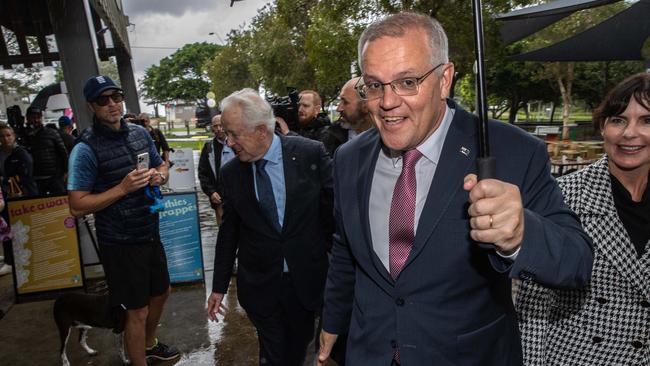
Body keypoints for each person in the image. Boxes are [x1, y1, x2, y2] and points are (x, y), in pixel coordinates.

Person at [317, 12, 594, 366]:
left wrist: (521, 234)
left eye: (407, 82)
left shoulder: (511, 150)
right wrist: (332, 323)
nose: (387, 102)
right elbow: (345, 251)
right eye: (374, 85)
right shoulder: (348, 158)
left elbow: (577, 262)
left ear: (445, 79)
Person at [517, 72, 650, 365]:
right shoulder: (562, 196)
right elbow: (534, 309)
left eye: (646, 121)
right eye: (618, 120)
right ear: (603, 127)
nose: (630, 133)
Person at [206, 88, 333, 366]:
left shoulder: (309, 154)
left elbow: (336, 214)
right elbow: (229, 233)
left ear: (262, 131)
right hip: (260, 285)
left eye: (234, 134)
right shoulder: (232, 173)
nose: (228, 143)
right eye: (226, 133)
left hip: (305, 282)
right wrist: (218, 287)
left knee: (301, 350)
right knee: (274, 354)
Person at [67, 75, 179, 366]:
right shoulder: (85, 149)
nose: (112, 104)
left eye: (116, 96)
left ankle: (148, 344)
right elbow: (76, 206)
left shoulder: (140, 134)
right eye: (103, 100)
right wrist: (122, 189)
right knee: (136, 310)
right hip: (119, 241)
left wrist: (160, 175)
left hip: (148, 230)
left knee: (161, 292)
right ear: (92, 105)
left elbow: (161, 165)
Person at [198, 114, 235, 225]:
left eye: (221, 125)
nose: (218, 129)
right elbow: (202, 173)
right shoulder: (209, 148)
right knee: (224, 230)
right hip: (219, 197)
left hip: (239, 195)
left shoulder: (237, 143)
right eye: (215, 126)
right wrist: (211, 192)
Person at [322, 76, 374, 154]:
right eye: (340, 101)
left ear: (366, 106)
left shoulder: (388, 140)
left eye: (345, 102)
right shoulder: (331, 136)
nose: (338, 109)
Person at [24, 106, 68, 195]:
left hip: (54, 177)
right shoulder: (23, 134)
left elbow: (63, 153)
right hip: (34, 178)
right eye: (33, 117)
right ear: (27, 118)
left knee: (60, 202)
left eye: (38, 117)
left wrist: (66, 171)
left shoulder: (52, 132)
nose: (36, 120)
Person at [0, 123, 37, 198]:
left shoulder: (21, 152)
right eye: (2, 136)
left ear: (14, 136)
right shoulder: (0, 153)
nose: (5, 139)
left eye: (8, 135)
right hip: (5, 193)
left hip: (23, 193)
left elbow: (27, 174)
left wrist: (5, 180)